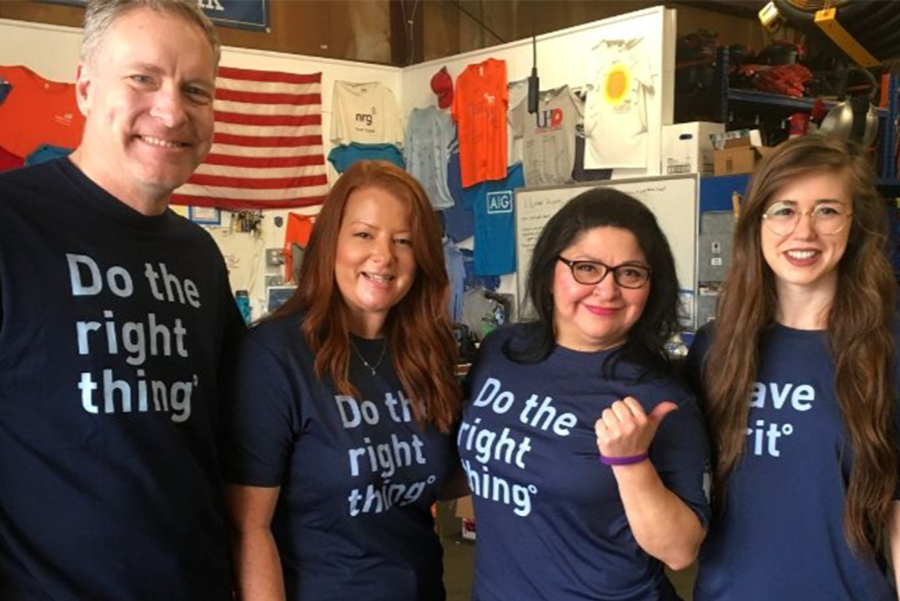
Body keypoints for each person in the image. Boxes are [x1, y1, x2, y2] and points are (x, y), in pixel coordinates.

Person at [0, 0, 244, 599]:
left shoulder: (200, 255)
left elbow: (233, 432)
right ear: (85, 87)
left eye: (196, 90)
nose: (171, 110)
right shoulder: (10, 222)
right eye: (143, 78)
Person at [224, 160, 463, 601]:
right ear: (330, 242)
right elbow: (248, 527)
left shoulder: (425, 353)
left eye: (404, 241)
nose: (384, 255)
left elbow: (447, 476)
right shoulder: (275, 356)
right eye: (364, 234)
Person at [459, 189, 710, 600]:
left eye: (629, 273)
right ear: (548, 272)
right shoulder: (502, 351)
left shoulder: (659, 396)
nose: (607, 290)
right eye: (586, 268)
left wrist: (631, 463)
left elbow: (680, 551)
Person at [686, 135, 900, 600]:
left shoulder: (887, 351)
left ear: (855, 224)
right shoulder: (714, 348)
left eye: (826, 210)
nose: (803, 232)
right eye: (784, 210)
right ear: (756, 223)